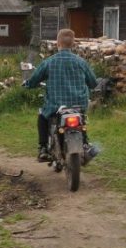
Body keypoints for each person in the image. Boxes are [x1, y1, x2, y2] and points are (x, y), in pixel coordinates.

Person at [24, 28, 97, 162]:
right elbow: (93, 83)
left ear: (58, 43)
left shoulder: (49, 62)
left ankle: (43, 148)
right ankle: (85, 144)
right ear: (73, 44)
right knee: (81, 120)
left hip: (56, 106)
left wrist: (28, 84)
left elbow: (34, 79)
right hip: (78, 105)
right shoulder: (81, 62)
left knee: (42, 116)